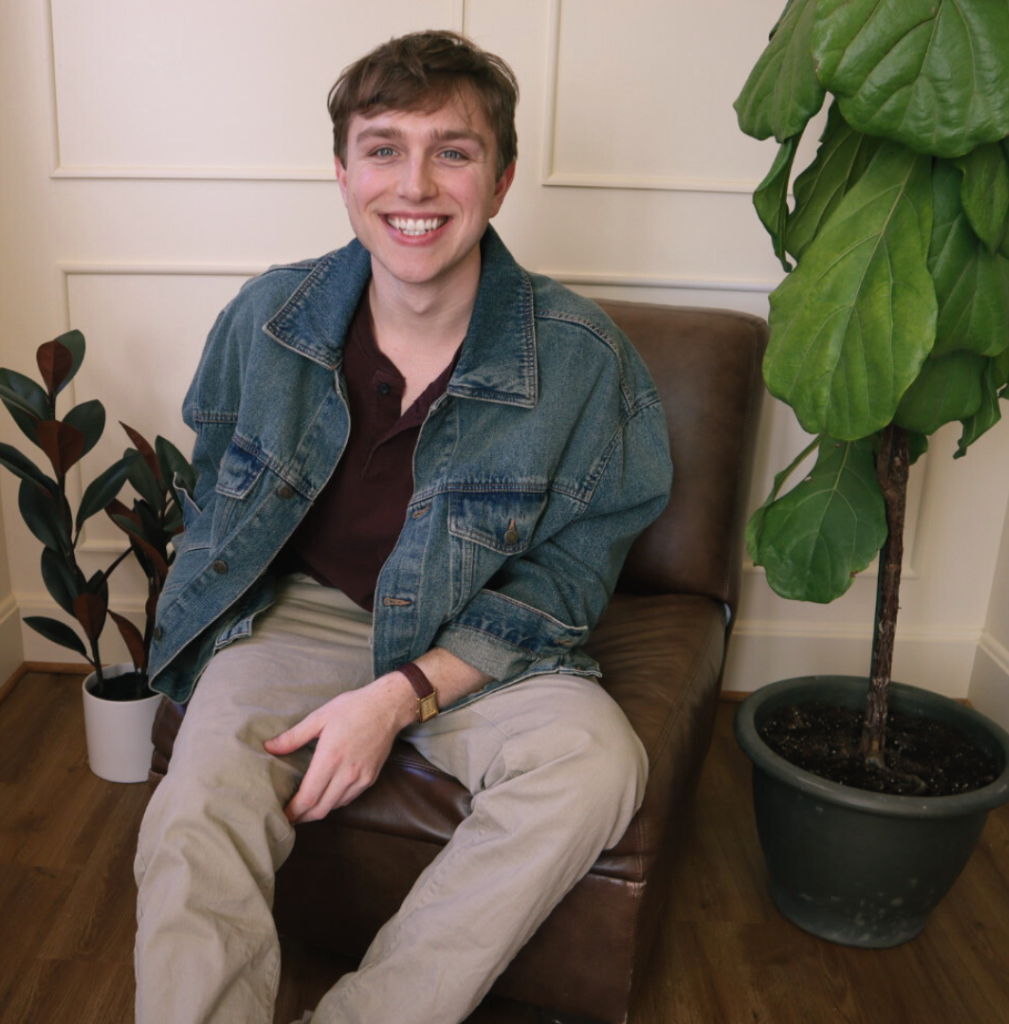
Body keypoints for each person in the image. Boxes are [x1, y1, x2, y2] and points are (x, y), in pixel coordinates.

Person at [134, 29, 672, 1024]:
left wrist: (402, 694)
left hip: (473, 634)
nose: (414, 185)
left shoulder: (585, 359)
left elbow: (570, 577)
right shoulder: (266, 317)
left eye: (452, 151)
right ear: (342, 173)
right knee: (194, 808)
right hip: (300, 616)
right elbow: (216, 485)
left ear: (501, 180)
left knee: (597, 761)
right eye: (383, 148)